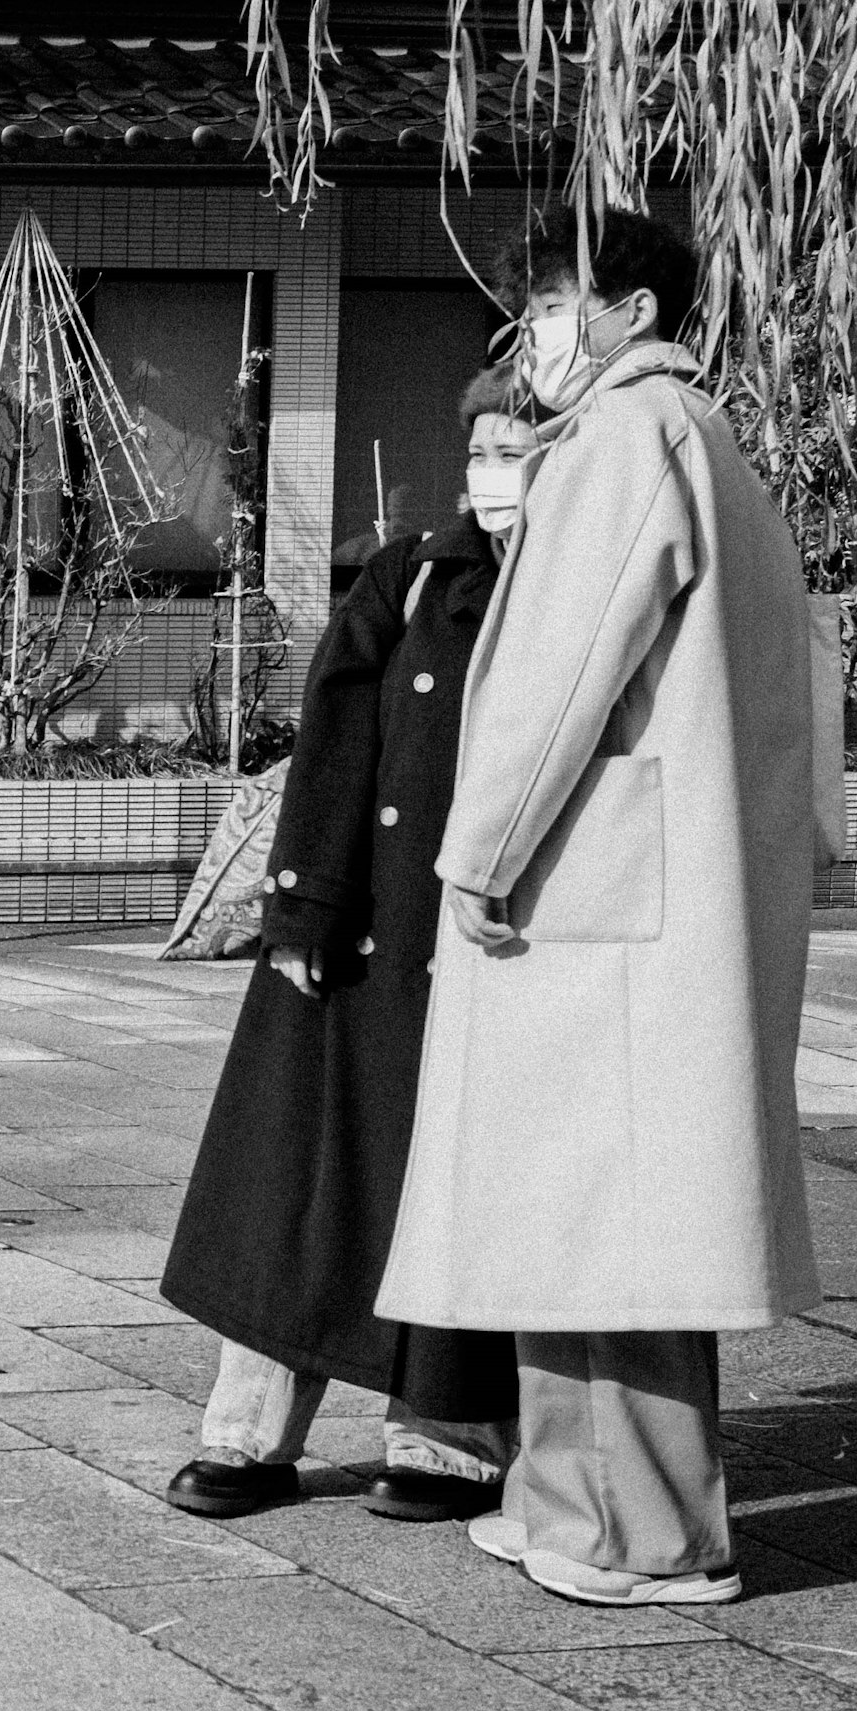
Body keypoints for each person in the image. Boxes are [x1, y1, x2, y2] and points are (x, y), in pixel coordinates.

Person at [380, 203, 824, 1608]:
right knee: (579, 1218)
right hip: (645, 887)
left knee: (618, 1221)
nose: (542, 332)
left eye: (564, 302)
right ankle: (567, 1501)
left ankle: (643, 1534)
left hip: (597, 892)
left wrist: (477, 852)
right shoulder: (696, 440)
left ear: (635, 309)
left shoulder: (627, 439)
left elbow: (565, 676)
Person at [161, 374, 537, 1524]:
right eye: (480, 450)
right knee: (299, 1185)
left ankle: (448, 1434)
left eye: (517, 451)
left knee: (455, 1186)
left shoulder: (576, 590)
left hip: (486, 943)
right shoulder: (410, 573)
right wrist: (303, 905)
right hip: (361, 927)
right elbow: (333, 739)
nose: (493, 475)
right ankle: (249, 1427)